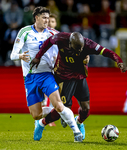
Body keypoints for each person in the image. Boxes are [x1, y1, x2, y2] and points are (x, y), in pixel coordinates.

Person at [30, 32, 127, 140]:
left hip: (80, 77)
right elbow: (48, 42)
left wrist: (119, 61)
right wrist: (38, 57)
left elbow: (106, 51)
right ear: (70, 44)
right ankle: (41, 124)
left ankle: (79, 122)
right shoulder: (61, 38)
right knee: (60, 111)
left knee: (86, 109)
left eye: (81, 49)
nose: (79, 51)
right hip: (63, 78)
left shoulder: (89, 44)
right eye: (77, 49)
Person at [10, 6, 83, 142]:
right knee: (36, 115)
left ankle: (76, 132)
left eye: (48, 18)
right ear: (36, 18)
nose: (46, 21)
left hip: (46, 74)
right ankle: (58, 116)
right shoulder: (24, 32)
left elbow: (70, 45)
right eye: (44, 18)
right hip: (30, 77)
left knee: (59, 104)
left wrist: (82, 55)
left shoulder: (53, 33)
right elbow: (12, 55)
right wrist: (20, 56)